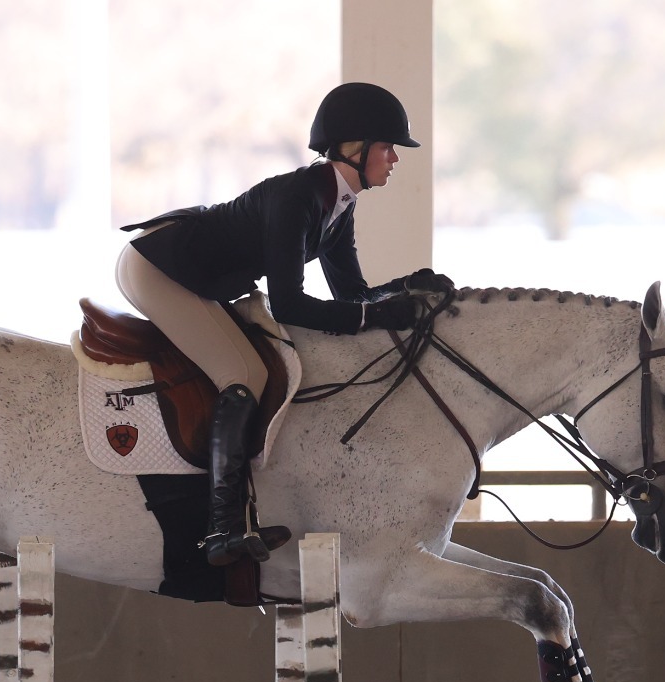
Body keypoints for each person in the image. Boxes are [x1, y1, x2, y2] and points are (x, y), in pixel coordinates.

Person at [115, 82, 452, 565]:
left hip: (193, 273)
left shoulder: (338, 203)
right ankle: (222, 529)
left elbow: (352, 296)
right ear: (354, 149)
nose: (395, 158)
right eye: (387, 147)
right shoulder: (299, 196)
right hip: (159, 266)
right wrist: (375, 314)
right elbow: (290, 305)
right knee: (244, 374)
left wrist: (405, 289)